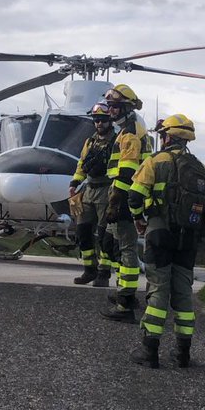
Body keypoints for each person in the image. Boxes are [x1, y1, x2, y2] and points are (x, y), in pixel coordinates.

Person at [128, 113, 205, 367]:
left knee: (158, 289)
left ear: (167, 136)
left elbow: (135, 196)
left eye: (163, 135)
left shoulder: (155, 161)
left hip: (160, 233)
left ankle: (149, 351)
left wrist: (140, 219)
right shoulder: (201, 168)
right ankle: (183, 353)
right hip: (189, 238)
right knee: (184, 291)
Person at [99, 83, 153, 320]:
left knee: (127, 249)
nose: (110, 111)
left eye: (114, 107)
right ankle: (123, 289)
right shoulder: (128, 129)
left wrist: (115, 202)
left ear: (126, 108)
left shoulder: (130, 132)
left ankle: (126, 302)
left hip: (124, 195)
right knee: (116, 246)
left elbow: (126, 172)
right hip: (121, 193)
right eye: (109, 106)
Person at [68, 102, 117, 284]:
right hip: (89, 190)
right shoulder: (90, 142)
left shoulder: (117, 141)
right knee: (83, 231)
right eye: (96, 120)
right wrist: (75, 182)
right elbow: (82, 165)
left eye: (103, 120)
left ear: (110, 121)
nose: (99, 124)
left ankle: (104, 273)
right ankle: (89, 269)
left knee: (105, 236)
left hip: (107, 190)